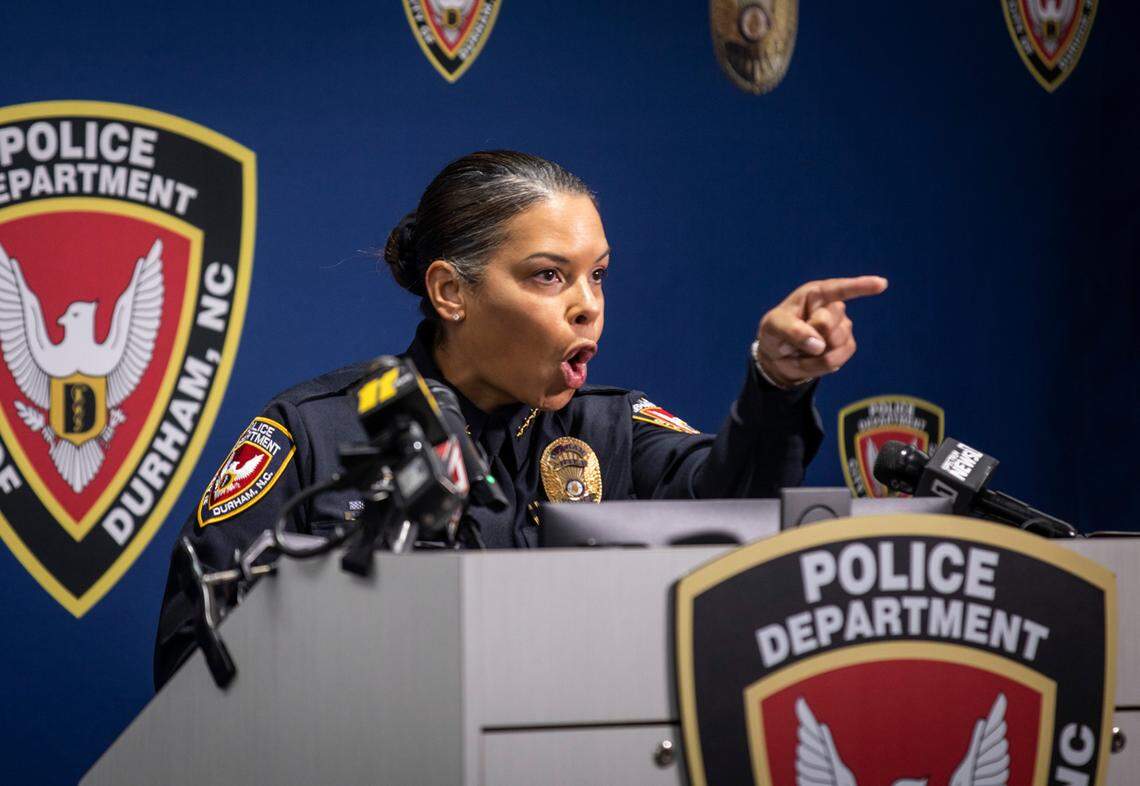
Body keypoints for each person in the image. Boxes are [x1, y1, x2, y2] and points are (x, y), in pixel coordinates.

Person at [153, 150, 886, 688]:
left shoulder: (612, 428)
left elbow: (737, 517)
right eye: (548, 276)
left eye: (596, 274)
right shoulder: (314, 432)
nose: (588, 304)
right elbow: (194, 663)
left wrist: (774, 384)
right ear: (451, 292)